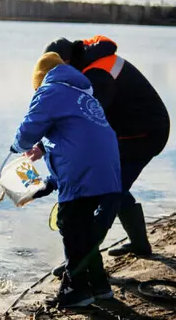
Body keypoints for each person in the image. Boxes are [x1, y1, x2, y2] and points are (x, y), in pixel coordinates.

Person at [10, 52, 121, 307]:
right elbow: (77, 142)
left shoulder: (49, 91)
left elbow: (26, 133)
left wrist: (17, 147)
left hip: (83, 174)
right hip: (109, 173)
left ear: (39, 80)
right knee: (85, 231)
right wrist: (44, 150)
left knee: (70, 224)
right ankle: (100, 286)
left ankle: (75, 290)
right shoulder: (83, 95)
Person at [42, 35, 170, 258]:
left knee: (110, 191)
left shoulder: (98, 74)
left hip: (145, 134)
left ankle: (83, 261)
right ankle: (139, 245)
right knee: (116, 184)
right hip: (128, 132)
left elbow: (84, 123)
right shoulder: (87, 65)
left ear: (68, 62)